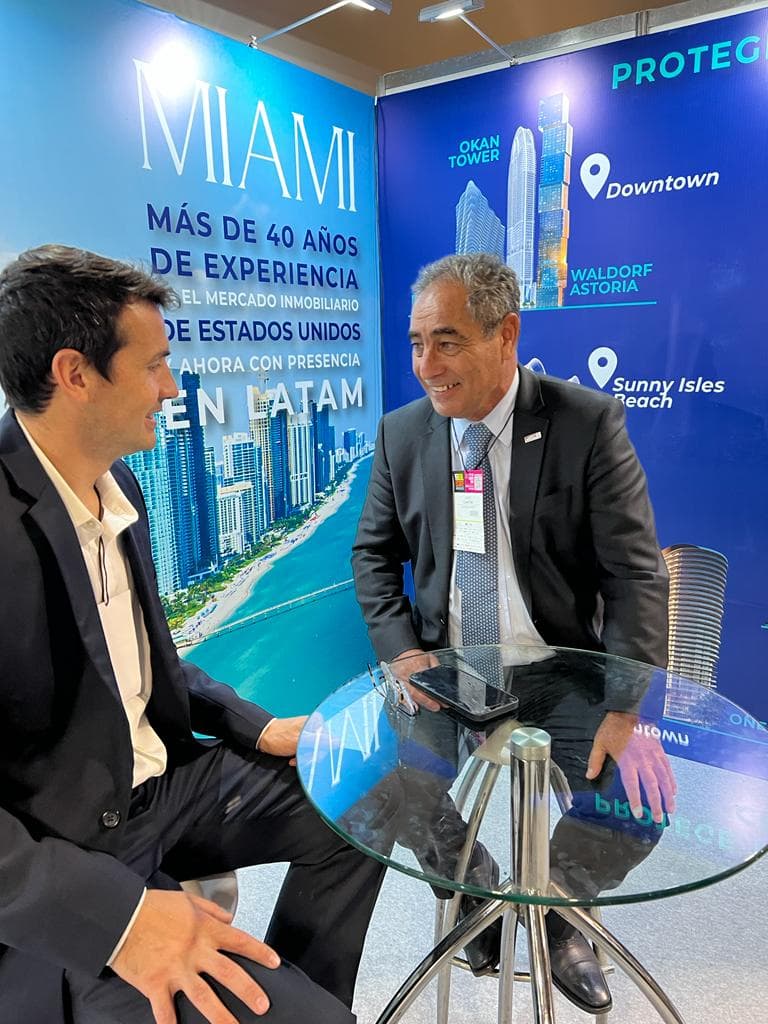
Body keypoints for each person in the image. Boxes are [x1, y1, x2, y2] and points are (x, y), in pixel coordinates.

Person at [0, 244, 385, 1024]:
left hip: (160, 794)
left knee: (363, 795)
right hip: (68, 861)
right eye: (153, 366)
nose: (171, 387)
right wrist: (119, 920)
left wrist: (259, 725)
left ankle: (290, 995)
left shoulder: (118, 481)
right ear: (75, 375)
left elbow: (145, 662)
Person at [351, 252, 670, 1015]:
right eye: (416, 342)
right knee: (386, 779)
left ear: (506, 335)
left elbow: (635, 574)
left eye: (448, 341)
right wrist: (404, 652)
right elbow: (372, 556)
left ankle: (556, 909)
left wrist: (626, 707)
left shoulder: (585, 423)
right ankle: (480, 896)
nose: (426, 365)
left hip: (560, 668)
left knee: (637, 801)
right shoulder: (403, 434)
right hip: (449, 667)